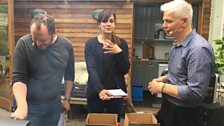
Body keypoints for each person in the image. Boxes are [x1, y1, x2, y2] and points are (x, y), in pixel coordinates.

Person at [148, 0, 215, 126]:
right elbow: (180, 73)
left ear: (184, 21)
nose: (164, 25)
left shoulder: (198, 49)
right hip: (169, 108)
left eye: (169, 21)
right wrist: (163, 79)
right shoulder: (177, 44)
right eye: (164, 21)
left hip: (185, 115)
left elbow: (195, 93)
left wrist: (162, 87)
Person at [11, 14, 74, 126]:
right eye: (34, 38)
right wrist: (22, 106)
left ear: (54, 32)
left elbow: (69, 75)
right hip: (29, 106)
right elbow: (19, 78)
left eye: (43, 40)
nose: (37, 43)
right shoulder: (23, 44)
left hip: (54, 105)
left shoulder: (66, 46)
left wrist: (67, 99)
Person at [85, 9, 130, 123]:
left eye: (111, 21)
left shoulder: (121, 43)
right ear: (99, 25)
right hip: (96, 91)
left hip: (116, 92)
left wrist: (119, 52)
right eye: (104, 21)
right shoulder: (91, 44)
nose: (108, 24)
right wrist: (100, 90)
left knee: (115, 122)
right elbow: (92, 69)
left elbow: (125, 69)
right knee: (95, 122)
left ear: (115, 24)